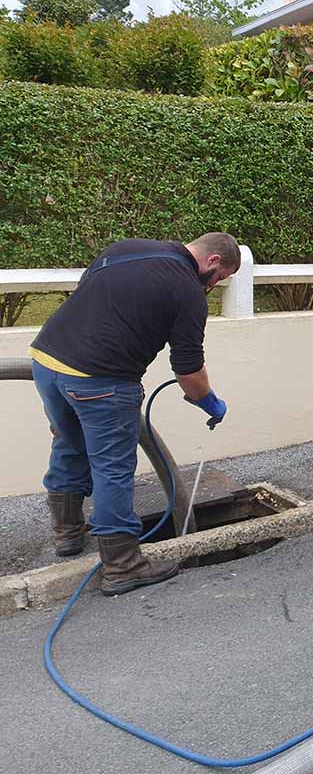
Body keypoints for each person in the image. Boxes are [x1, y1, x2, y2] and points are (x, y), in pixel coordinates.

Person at [29, 233, 241, 596]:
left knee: (69, 441)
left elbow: (93, 298)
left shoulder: (126, 248)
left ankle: (67, 534)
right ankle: (122, 566)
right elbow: (189, 373)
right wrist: (209, 402)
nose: (214, 285)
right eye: (220, 279)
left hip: (46, 362)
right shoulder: (188, 291)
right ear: (213, 262)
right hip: (102, 379)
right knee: (111, 466)